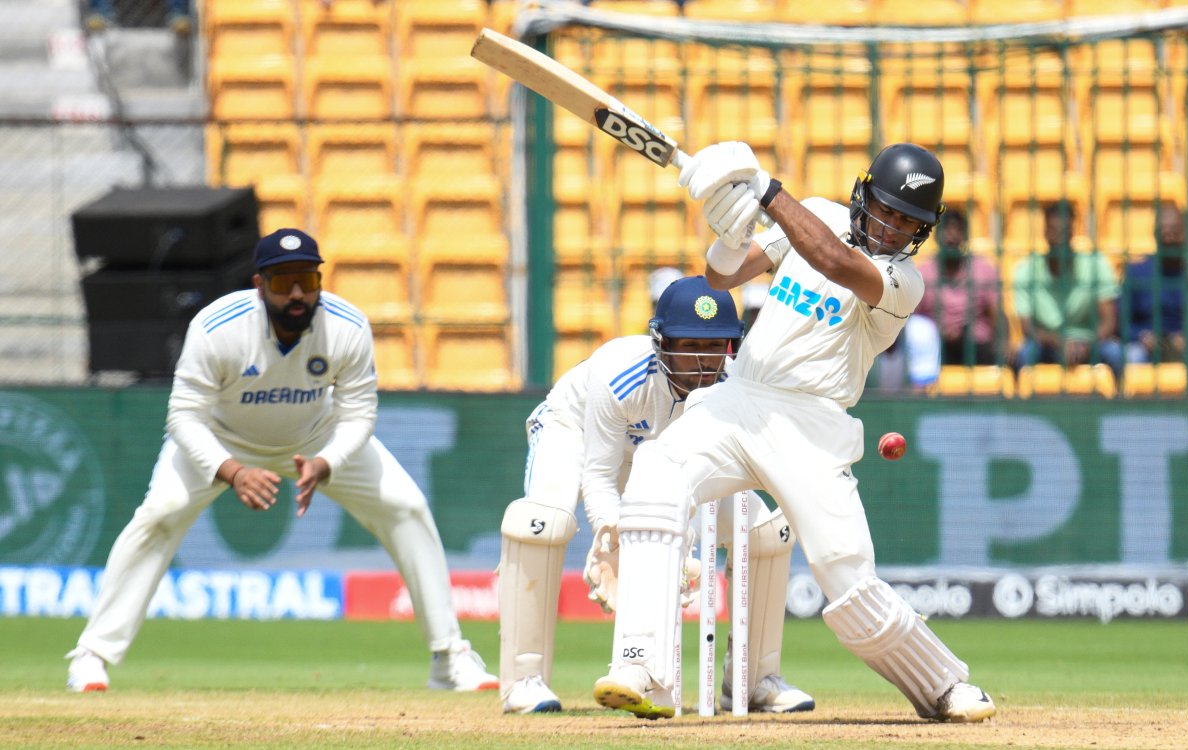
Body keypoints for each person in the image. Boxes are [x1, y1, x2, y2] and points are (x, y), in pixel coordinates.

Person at [591, 142, 996, 722]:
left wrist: (767, 190)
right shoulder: (821, 215)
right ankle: (640, 667)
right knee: (656, 476)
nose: (895, 228)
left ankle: (943, 685)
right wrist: (730, 229)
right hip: (740, 398)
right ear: (863, 197)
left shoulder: (902, 282)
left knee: (847, 575)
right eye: (888, 210)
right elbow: (720, 276)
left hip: (813, 423)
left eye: (911, 222)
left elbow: (834, 262)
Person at [66, 228, 498, 693]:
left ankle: (449, 659)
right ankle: (92, 655)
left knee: (406, 508)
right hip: (221, 439)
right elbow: (184, 418)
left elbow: (358, 415)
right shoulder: (218, 328)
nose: (297, 293)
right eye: (282, 281)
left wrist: (327, 461)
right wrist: (231, 470)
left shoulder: (347, 326)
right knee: (160, 514)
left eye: (308, 280)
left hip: (316, 437)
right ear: (259, 285)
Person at [499, 276, 813, 715]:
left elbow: (720, 478)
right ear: (661, 343)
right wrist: (613, 535)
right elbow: (600, 475)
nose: (704, 363)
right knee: (542, 522)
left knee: (768, 533)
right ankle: (523, 680)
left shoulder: (736, 386)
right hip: (573, 431)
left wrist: (677, 546)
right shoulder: (620, 376)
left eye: (715, 346)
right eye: (689, 346)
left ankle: (751, 680)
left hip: (660, 458)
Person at [1011, 200, 1123, 379]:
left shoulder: (1097, 264)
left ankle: (1120, 403)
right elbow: (1027, 327)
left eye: (1064, 232)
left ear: (1073, 233)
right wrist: (1058, 341)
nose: (1059, 238)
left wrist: (1086, 344)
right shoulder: (1025, 270)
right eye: (1054, 232)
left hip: (1091, 341)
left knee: (1116, 353)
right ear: (1045, 233)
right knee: (1024, 354)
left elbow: (1109, 321)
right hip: (1046, 343)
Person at [909, 208, 1000, 369]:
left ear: (965, 237)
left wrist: (1003, 347)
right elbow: (911, 320)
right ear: (936, 237)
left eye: (956, 230)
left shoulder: (983, 269)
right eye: (946, 231)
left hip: (977, 344)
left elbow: (997, 314)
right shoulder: (923, 274)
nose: (951, 237)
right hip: (936, 347)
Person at [1122, 202, 1186, 364]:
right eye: (1164, 232)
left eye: (1175, 232)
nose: (1169, 238)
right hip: (1147, 347)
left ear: (1185, 233)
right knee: (1132, 356)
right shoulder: (1137, 272)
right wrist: (1142, 336)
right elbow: (1122, 322)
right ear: (1155, 235)